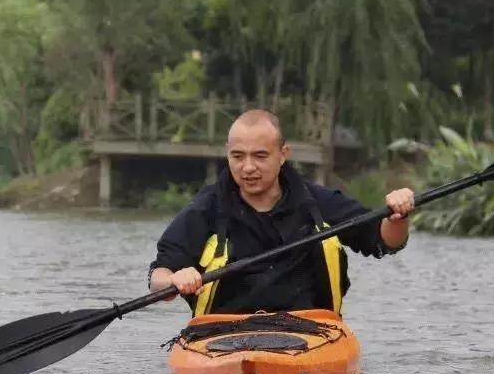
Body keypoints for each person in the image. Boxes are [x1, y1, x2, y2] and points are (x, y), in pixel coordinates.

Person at [148, 109, 415, 316]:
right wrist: (174, 279)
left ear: (283, 154)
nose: (248, 167)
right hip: (220, 336)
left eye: (260, 156)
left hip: (312, 333)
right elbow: (159, 277)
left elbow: (386, 240)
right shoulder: (206, 208)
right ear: (227, 154)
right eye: (238, 157)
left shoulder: (318, 203)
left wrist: (397, 216)